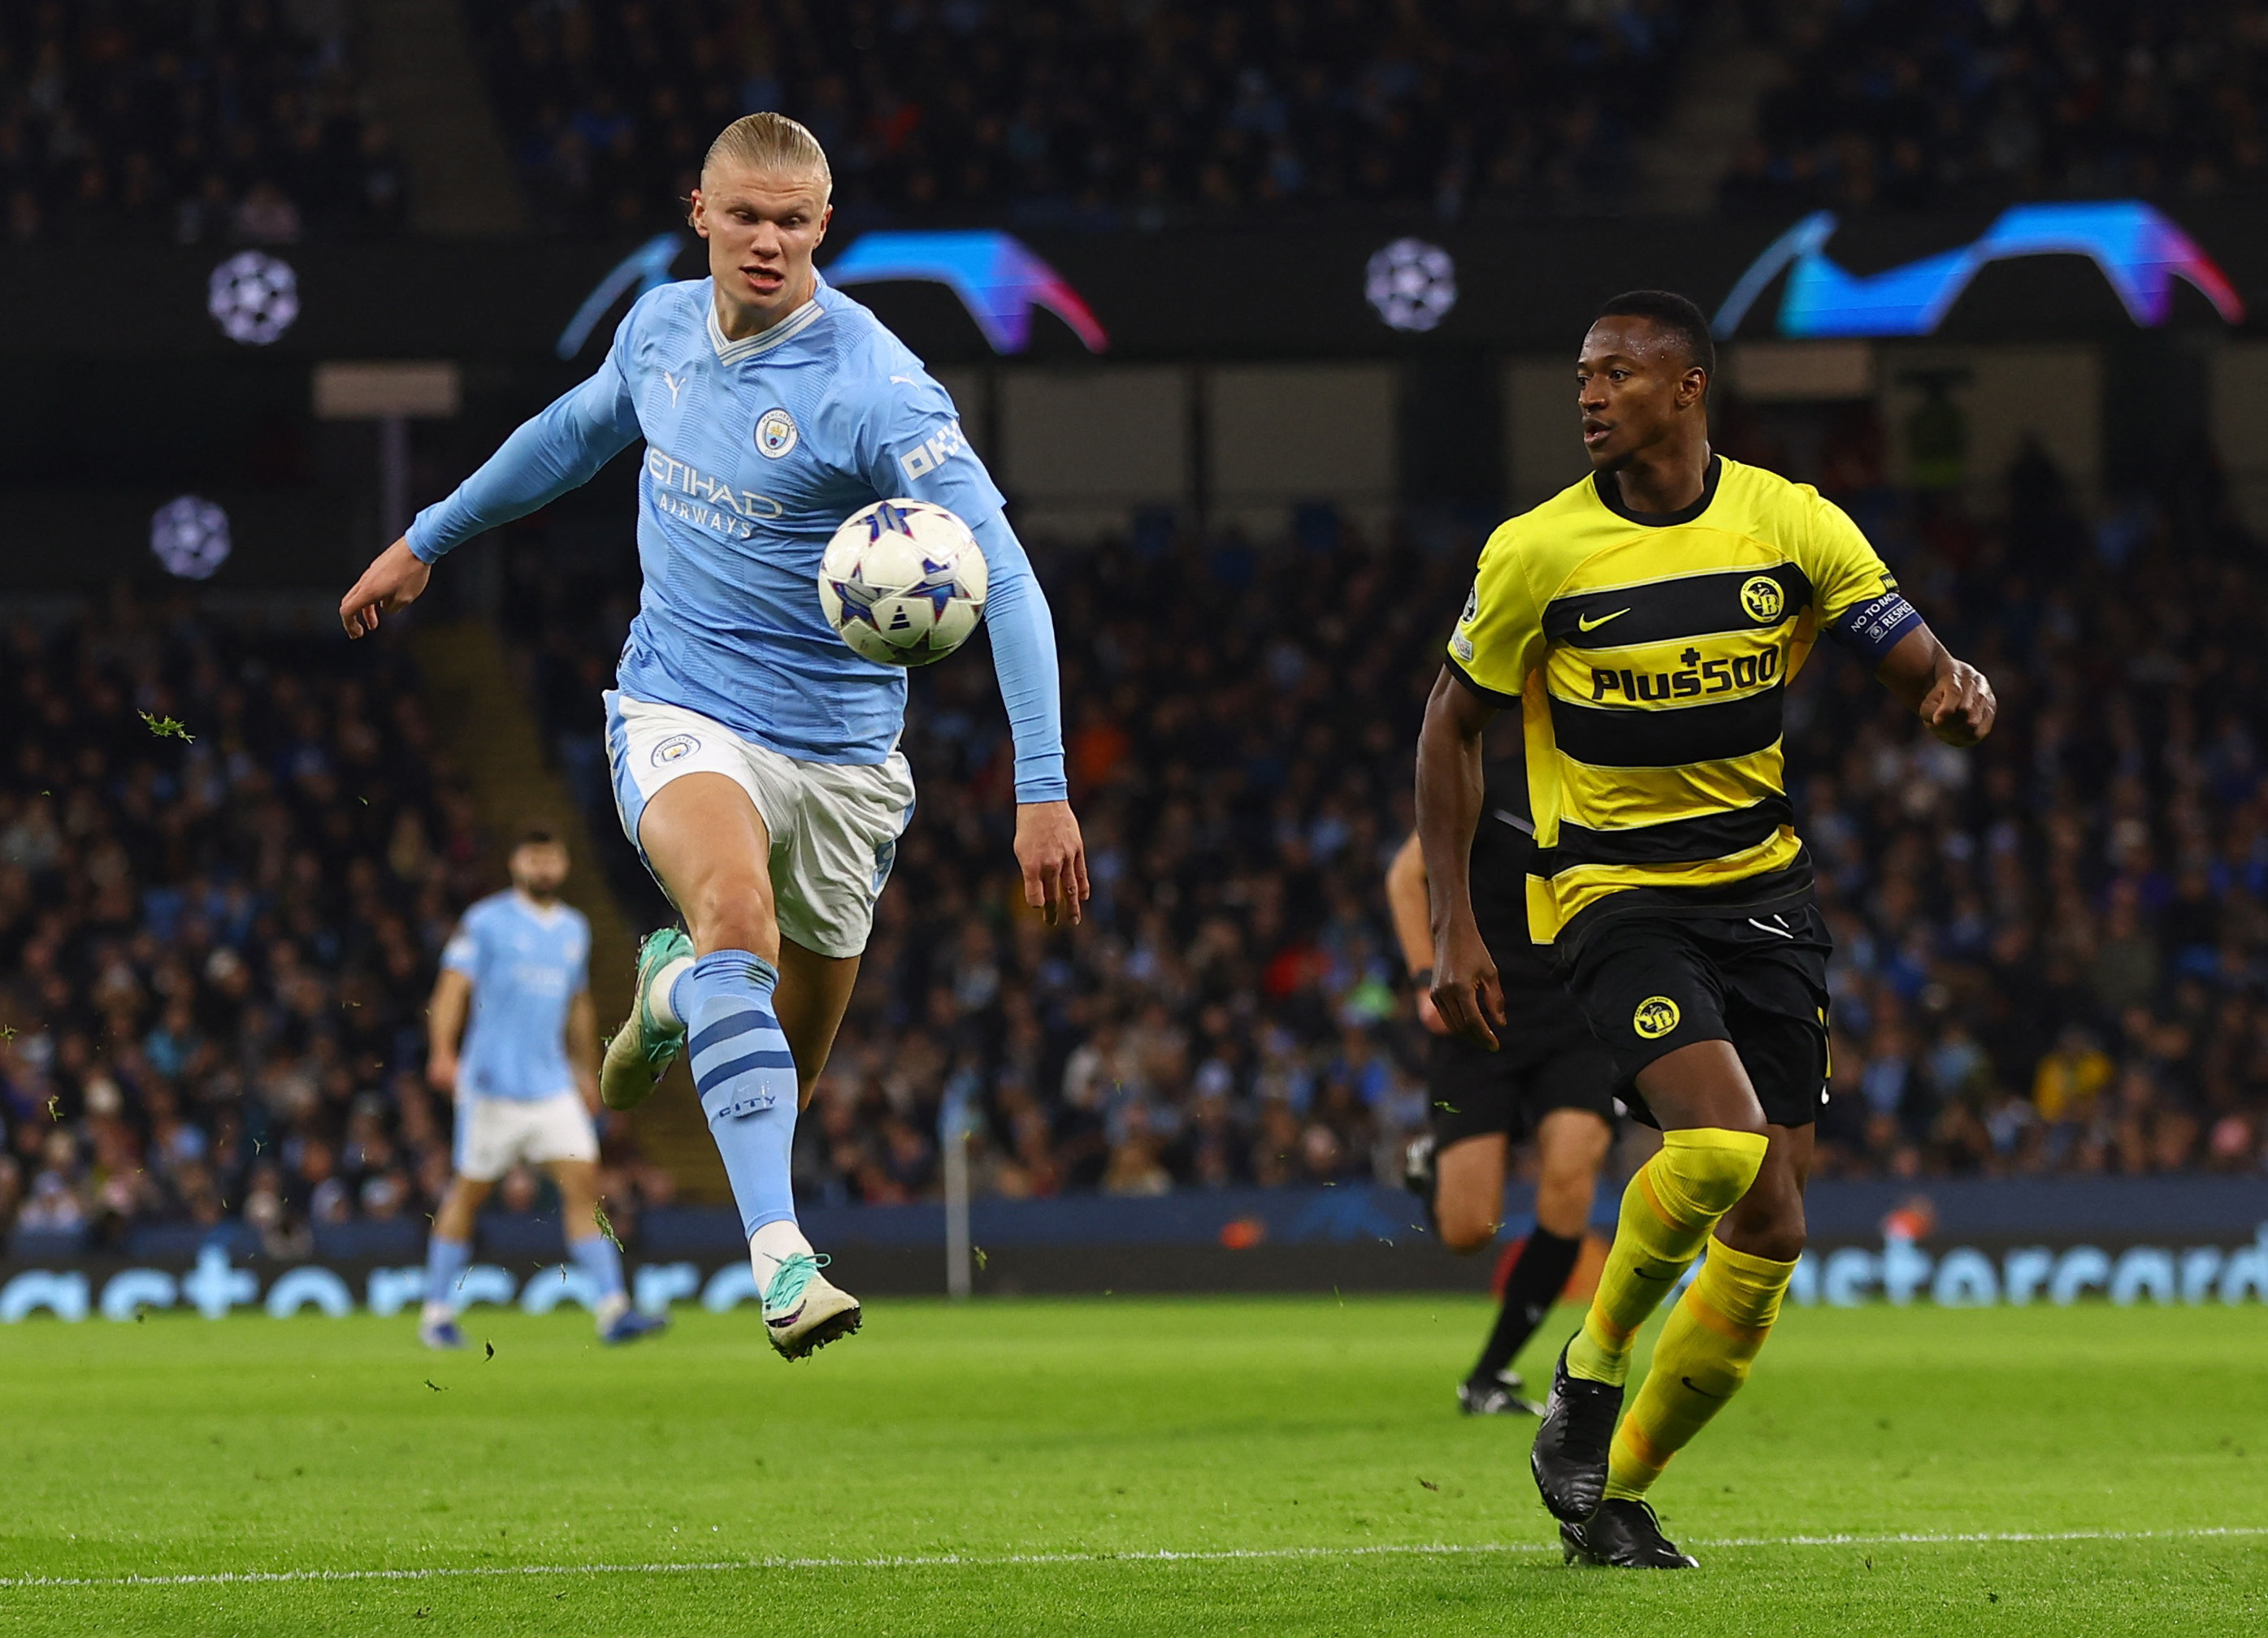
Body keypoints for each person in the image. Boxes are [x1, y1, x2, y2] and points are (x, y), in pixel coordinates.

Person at [341, 112, 1085, 1362]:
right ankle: (782, 1262)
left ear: (821, 229)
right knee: (732, 908)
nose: (767, 242)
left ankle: (671, 989)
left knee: (786, 1050)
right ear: (701, 211)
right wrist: (428, 539)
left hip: (844, 757)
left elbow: (1001, 575)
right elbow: (570, 439)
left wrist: (1043, 785)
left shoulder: (875, 386)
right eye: (745, 216)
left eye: (793, 223)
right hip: (682, 708)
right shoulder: (659, 331)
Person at [1416, 290, 1995, 1568]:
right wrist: (1454, 926)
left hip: (1764, 896)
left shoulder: (1787, 522)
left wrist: (1955, 697)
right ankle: (1587, 1369)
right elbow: (1447, 725)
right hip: (1610, 894)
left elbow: (1919, 664)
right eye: (1581, 373)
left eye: (1617, 374)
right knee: (1722, 1144)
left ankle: (1609, 1494)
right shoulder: (1535, 551)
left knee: (1773, 1227)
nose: (1588, 394)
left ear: (1686, 390)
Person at [1383, 734, 1615, 1417]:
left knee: (1571, 1181)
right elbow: (1405, 878)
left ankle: (1488, 1376)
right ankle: (1432, 1168)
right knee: (1467, 1231)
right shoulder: (1488, 786)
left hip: (1576, 1024)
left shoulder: (1619, 796)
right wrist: (1426, 977)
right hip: (1478, 1016)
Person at [417, 826, 665, 1350]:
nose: (544, 867)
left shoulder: (575, 928)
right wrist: (443, 1051)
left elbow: (578, 1005)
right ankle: (436, 1312)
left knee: (584, 1187)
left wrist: (588, 1068)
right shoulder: (485, 921)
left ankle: (613, 1309)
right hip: (491, 1086)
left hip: (552, 1085)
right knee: (469, 1192)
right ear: (515, 864)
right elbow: (452, 988)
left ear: (565, 864)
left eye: (551, 857)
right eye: (534, 857)